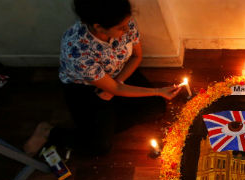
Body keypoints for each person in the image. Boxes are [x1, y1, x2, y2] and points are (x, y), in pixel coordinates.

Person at [24, 0, 182, 156]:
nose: (127, 29)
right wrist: (156, 90)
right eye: (121, 28)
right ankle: (49, 132)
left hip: (119, 75)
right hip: (86, 88)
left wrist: (118, 83)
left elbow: (136, 57)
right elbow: (116, 88)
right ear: (98, 26)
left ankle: (104, 120)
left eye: (127, 23)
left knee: (156, 108)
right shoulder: (78, 50)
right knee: (99, 146)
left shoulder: (124, 22)